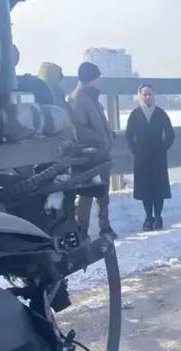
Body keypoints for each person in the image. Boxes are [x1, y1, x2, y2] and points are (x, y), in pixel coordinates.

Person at [69, 61, 116, 239]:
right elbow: (79, 128)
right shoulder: (79, 98)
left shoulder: (92, 98)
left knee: (103, 193)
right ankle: (82, 230)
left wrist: (108, 135)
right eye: (97, 78)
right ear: (90, 79)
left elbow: (98, 124)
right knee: (88, 193)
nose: (100, 81)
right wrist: (98, 140)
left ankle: (105, 226)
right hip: (89, 155)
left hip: (101, 154)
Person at [125, 84, 175, 231]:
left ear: (154, 95)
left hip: (158, 157)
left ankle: (158, 216)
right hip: (141, 158)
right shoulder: (135, 114)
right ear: (140, 96)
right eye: (145, 94)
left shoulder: (160, 113)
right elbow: (129, 135)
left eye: (150, 94)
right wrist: (134, 149)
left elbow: (170, 134)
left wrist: (163, 148)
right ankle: (148, 217)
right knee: (145, 189)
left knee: (158, 188)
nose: (148, 97)